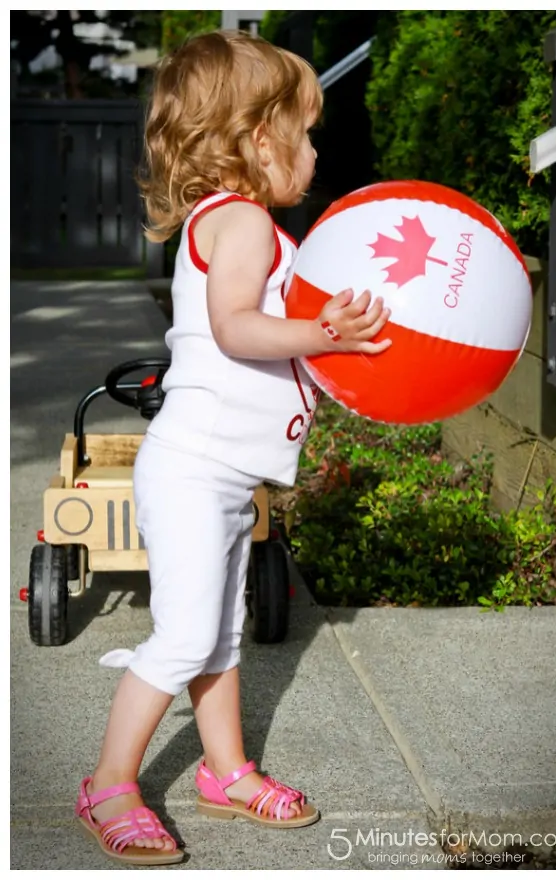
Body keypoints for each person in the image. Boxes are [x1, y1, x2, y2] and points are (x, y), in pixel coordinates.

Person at [74, 30, 391, 865]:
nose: (316, 150)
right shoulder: (245, 221)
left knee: (219, 637)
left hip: (215, 472)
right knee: (182, 639)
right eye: (308, 131)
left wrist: (330, 359)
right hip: (192, 469)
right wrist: (321, 332)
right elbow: (236, 328)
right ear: (259, 139)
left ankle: (226, 773)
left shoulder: (245, 228)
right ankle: (108, 781)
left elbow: (262, 345)